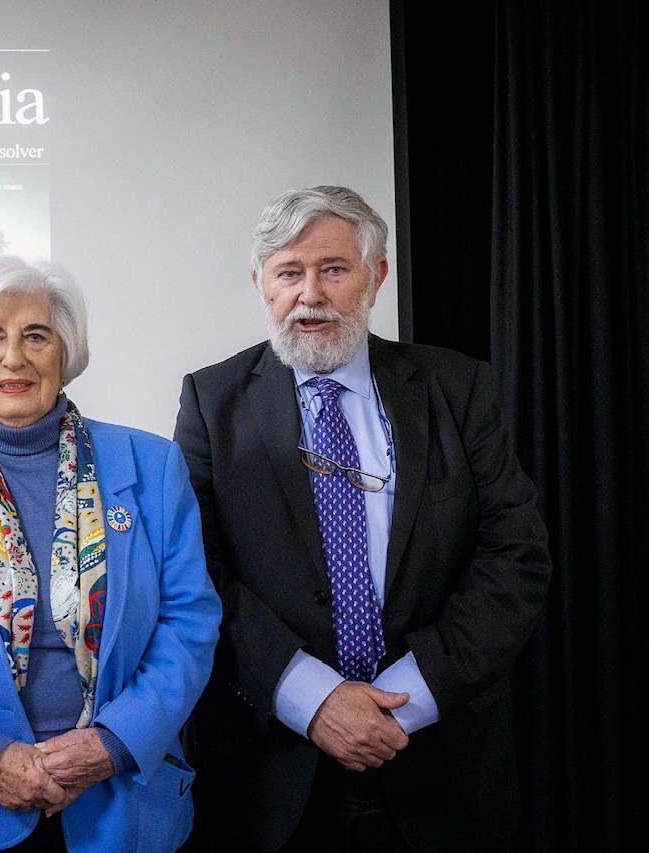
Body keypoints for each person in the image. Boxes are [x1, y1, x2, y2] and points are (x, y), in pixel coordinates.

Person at [176, 186, 551, 852]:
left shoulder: (458, 388)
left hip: (440, 768)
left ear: (376, 276)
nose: (309, 293)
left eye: (334, 269)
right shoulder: (212, 402)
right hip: (272, 778)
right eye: (289, 272)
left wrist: (407, 695)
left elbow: (514, 554)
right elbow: (198, 574)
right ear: (261, 284)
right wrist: (314, 698)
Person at [0, 255, 221, 852]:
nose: (14, 358)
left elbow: (189, 623)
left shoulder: (151, 465)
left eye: (36, 335)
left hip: (119, 799)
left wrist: (113, 744)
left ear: (66, 351)